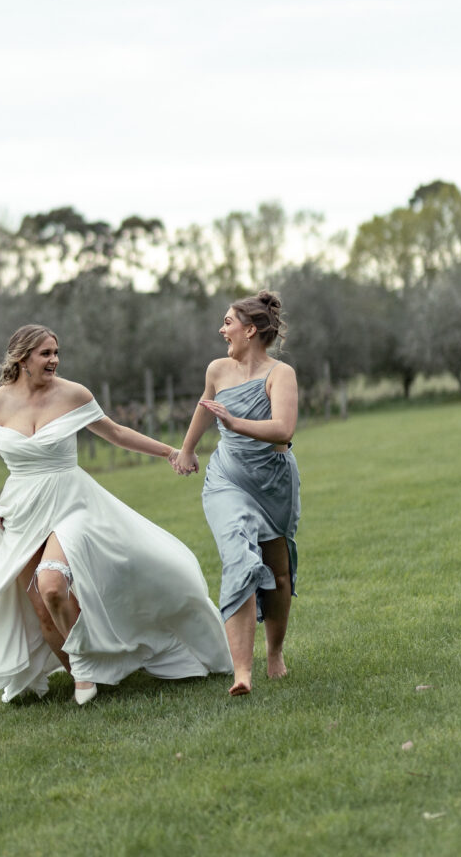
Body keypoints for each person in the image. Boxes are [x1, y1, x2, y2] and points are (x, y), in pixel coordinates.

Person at [0, 324, 231, 705]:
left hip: (71, 503)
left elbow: (114, 432)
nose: (54, 360)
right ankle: (81, 670)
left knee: (51, 585)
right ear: (22, 358)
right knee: (41, 609)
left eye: (56, 352)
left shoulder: (73, 394)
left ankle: (87, 665)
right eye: (45, 353)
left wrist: (168, 452)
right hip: (21, 511)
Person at [172, 290, 300, 696]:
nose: (222, 329)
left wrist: (237, 422)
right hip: (227, 478)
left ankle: (274, 653)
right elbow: (204, 407)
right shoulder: (217, 370)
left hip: (272, 482)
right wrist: (188, 449)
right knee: (239, 559)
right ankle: (241, 672)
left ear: (250, 329)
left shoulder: (281, 374)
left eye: (228, 322)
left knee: (278, 573)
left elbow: (283, 429)